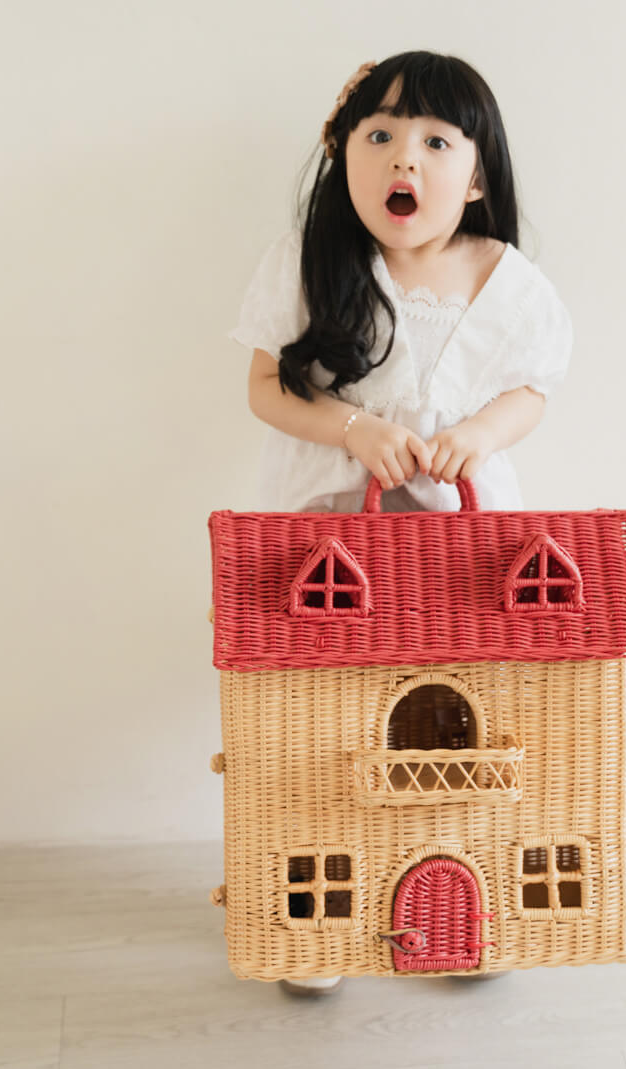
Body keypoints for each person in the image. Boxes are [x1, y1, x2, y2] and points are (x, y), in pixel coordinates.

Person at [227, 51, 573, 996]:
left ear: (479, 174)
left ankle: (462, 904)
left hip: (463, 551)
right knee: (331, 731)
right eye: (377, 137)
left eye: (432, 140)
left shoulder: (507, 279)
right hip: (332, 540)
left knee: (453, 731)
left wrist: (475, 433)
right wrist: (352, 427)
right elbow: (265, 388)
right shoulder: (312, 263)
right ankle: (325, 910)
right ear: (344, 156)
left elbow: (532, 392)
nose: (401, 162)